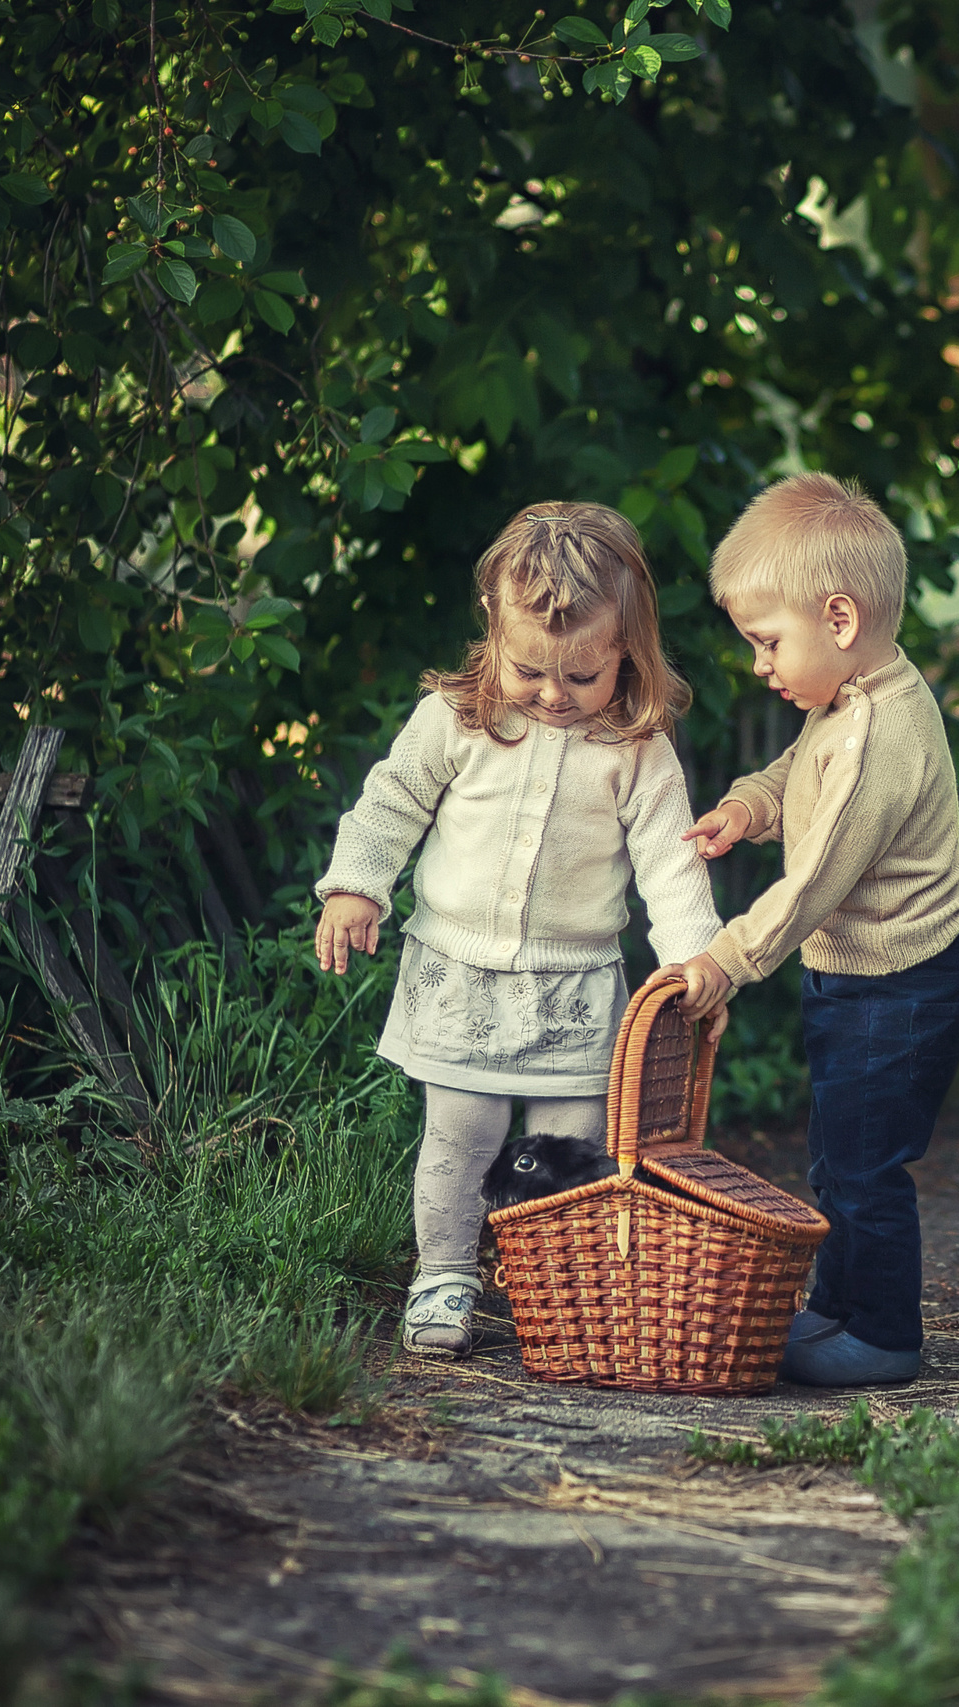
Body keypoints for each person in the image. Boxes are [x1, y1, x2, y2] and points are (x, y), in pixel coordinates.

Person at [315, 503, 725, 1357]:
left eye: (581, 675)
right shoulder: (458, 719)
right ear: (493, 630)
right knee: (459, 1137)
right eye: (529, 669)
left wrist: (693, 960)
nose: (552, 694)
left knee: (573, 1148)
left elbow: (671, 863)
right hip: (459, 976)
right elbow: (390, 801)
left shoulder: (637, 749)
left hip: (575, 987)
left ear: (626, 649)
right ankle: (445, 1275)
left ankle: (560, 1287)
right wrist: (356, 884)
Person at [657, 472, 959, 1387]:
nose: (760, 664)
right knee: (839, 1154)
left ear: (839, 619)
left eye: (768, 641)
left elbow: (814, 882)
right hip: (863, 977)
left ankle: (883, 1333)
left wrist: (726, 958)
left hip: (901, 985)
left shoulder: (882, 733)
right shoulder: (847, 700)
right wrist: (747, 807)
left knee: (867, 1165)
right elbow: (798, 771)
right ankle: (838, 1307)